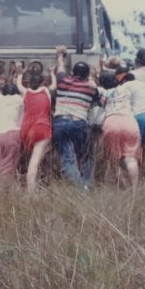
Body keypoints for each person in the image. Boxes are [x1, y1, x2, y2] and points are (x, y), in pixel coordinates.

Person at [51, 45, 100, 189]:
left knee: (67, 158)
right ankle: (86, 184)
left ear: (72, 72)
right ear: (86, 76)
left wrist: (61, 55)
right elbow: (97, 98)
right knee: (86, 156)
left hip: (60, 122)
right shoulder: (91, 87)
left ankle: (80, 188)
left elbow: (60, 68)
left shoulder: (62, 81)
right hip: (79, 124)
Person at [15, 64, 57, 191]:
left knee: (30, 159)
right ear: (43, 82)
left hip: (26, 129)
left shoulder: (26, 92)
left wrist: (20, 73)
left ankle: (33, 182)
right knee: (35, 161)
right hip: (42, 129)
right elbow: (54, 84)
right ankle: (31, 191)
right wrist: (52, 73)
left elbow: (18, 84)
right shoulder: (46, 91)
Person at [98, 71, 141, 188]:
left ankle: (123, 185)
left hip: (112, 122)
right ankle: (134, 191)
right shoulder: (125, 90)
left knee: (113, 158)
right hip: (130, 122)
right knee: (131, 159)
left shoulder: (102, 92)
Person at [0, 83, 23, 181]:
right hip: (10, 135)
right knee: (6, 168)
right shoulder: (19, 100)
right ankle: (3, 193)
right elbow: (21, 121)